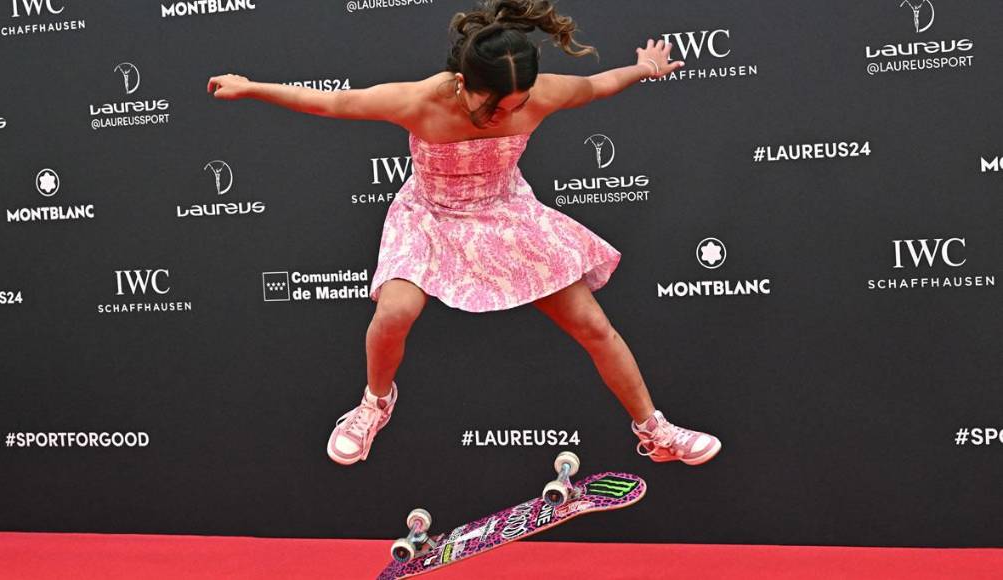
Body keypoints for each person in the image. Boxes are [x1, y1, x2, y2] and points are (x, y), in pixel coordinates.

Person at [207, 0, 721, 468]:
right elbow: (335, 103)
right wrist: (251, 87)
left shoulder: (541, 96)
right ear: (462, 81)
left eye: (517, 105)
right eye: (492, 106)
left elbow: (601, 83)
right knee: (395, 311)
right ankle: (374, 405)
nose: (505, 116)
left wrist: (645, 68)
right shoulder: (420, 101)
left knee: (592, 324)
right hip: (429, 215)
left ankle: (656, 432)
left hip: (505, 211)